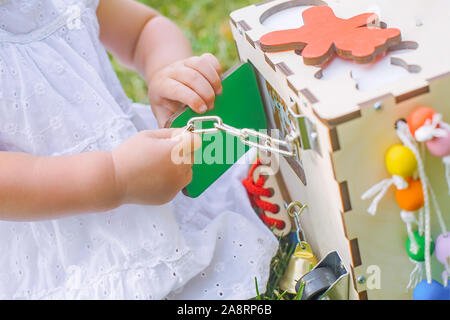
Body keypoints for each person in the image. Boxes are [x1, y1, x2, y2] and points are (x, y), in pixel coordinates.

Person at [0, 0, 278, 299]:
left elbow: (143, 29)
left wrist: (168, 71)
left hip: (142, 163)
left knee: (264, 166)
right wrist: (116, 178)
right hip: (63, 247)